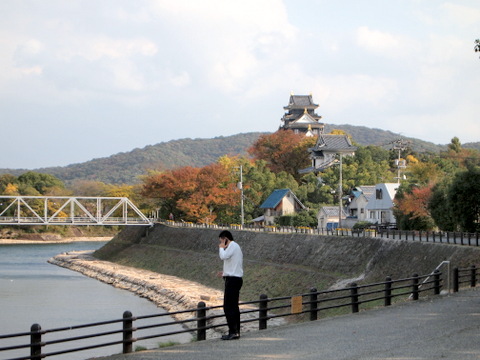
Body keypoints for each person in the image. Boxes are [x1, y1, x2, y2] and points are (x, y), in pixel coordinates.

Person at [218, 230, 243, 340]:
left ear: (226, 239)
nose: (221, 243)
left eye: (222, 241)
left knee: (228, 307)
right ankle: (235, 331)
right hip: (233, 279)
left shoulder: (232, 245)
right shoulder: (234, 247)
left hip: (233, 280)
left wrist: (221, 247)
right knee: (233, 306)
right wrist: (224, 273)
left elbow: (222, 257)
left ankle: (233, 332)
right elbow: (233, 265)